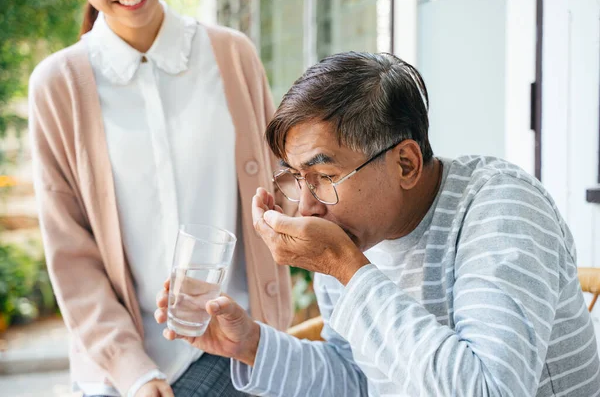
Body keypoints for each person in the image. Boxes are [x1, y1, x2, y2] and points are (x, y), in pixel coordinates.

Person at [155, 52, 600, 396]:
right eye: (297, 178)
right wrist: (250, 344)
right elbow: (356, 379)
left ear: (405, 163)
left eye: (325, 177)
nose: (307, 207)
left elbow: (488, 389)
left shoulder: (502, 208)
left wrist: (347, 267)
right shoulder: (347, 232)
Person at [28, 0, 294, 396]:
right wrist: (132, 369)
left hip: (237, 345)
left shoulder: (232, 53)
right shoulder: (57, 84)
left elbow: (283, 182)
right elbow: (70, 252)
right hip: (124, 371)